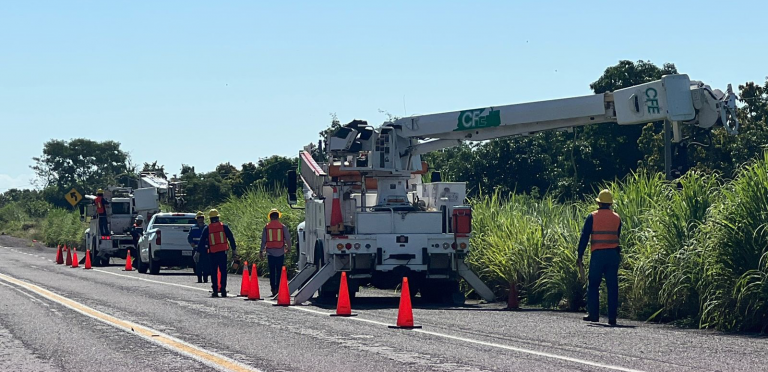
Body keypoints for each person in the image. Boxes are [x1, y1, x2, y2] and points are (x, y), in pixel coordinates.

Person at [577, 189, 622, 326]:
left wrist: (580, 255)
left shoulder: (592, 216)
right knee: (612, 286)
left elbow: (585, 236)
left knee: (594, 284)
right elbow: (617, 236)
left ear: (599, 203)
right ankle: (612, 318)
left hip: (598, 255)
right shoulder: (617, 217)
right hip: (613, 255)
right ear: (610, 204)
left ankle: (594, 315)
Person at [196, 209, 237, 297]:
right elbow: (231, 238)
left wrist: (197, 252)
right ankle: (223, 290)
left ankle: (215, 290)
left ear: (210, 219)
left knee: (213, 271)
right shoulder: (224, 227)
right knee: (223, 271)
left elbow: (202, 241)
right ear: (218, 217)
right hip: (223, 252)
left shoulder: (208, 228)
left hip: (212, 253)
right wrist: (234, 250)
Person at [260, 208, 291, 296]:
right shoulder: (282, 226)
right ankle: (278, 288)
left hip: (270, 252)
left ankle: (273, 288)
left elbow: (263, 240)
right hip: (280, 251)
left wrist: (261, 251)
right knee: (279, 271)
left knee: (272, 271)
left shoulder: (266, 227)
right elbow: (288, 238)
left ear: (270, 217)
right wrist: (289, 248)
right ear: (278, 217)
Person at [188, 211, 210, 283]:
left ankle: (205, 278)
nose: (200, 219)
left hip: (205, 249)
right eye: (199, 218)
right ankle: (199, 278)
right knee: (198, 265)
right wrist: (191, 243)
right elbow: (189, 237)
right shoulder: (193, 228)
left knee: (206, 264)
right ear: (196, 219)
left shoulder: (207, 228)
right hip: (196, 249)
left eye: (201, 218)